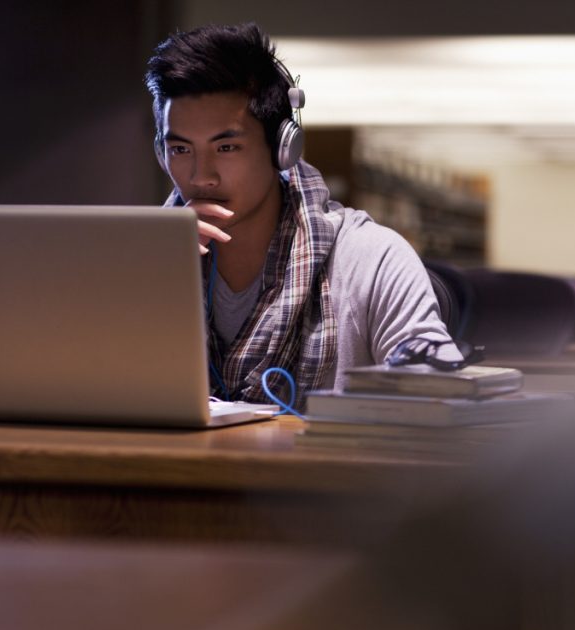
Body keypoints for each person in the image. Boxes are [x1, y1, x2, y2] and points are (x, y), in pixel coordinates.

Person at [144, 22, 453, 407]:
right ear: (161, 152)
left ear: (282, 148)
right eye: (181, 150)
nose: (200, 176)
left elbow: (440, 397)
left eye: (226, 148)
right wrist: (152, 281)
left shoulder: (371, 259)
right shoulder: (144, 263)